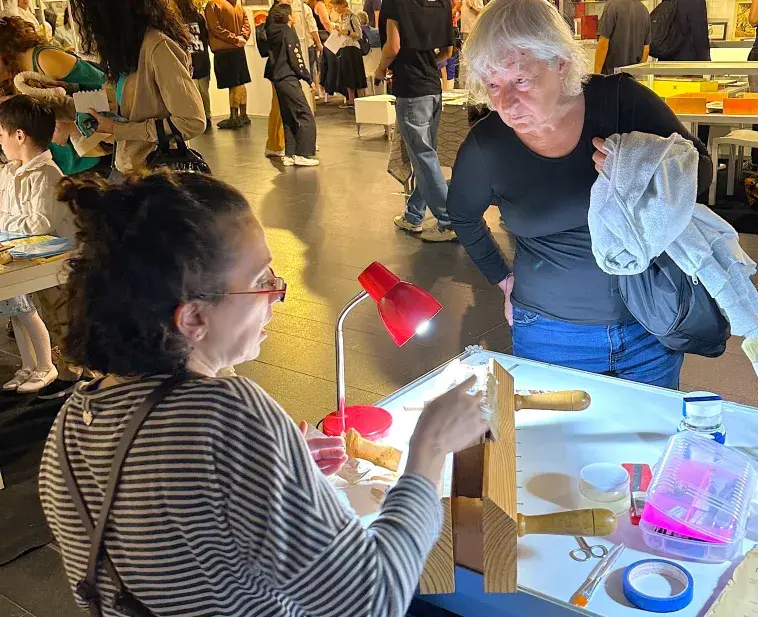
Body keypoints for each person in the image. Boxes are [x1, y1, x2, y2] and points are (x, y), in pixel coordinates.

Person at [37, 170, 489, 617]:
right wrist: (428, 452)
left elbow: (154, 547)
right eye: (259, 281)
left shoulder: (69, 426)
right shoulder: (229, 415)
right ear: (193, 319)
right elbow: (374, 598)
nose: (277, 293)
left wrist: (273, 468)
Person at [448, 0, 713, 389]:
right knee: (558, 446)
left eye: (520, 80)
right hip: (550, 335)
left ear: (561, 64)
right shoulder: (487, 146)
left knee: (652, 444)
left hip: (649, 324)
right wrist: (502, 278)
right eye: (493, 85)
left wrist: (642, 163)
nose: (505, 102)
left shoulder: (621, 101)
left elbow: (699, 169)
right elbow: (464, 217)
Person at [70, 0, 207, 177]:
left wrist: (117, 129)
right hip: (133, 169)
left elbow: (192, 121)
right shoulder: (130, 49)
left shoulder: (158, 46)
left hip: (157, 173)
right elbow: (140, 108)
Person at [0, 96, 71, 393]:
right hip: (18, 257)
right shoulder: (8, 172)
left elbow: (39, 223)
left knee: (47, 317)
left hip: (50, 265)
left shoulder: (48, 175)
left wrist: (6, 224)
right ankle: (30, 365)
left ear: (19, 135)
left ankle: (49, 366)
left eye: (1, 134)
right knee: (17, 310)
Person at [377, 0, 457, 242]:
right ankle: (413, 216)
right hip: (433, 86)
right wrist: (428, 64)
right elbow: (448, 51)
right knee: (426, 158)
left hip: (411, 89)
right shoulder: (443, 3)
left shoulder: (395, 2)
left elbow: (393, 47)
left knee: (423, 159)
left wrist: (380, 70)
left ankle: (449, 221)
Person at [0, 15, 107, 176]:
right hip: (54, 170)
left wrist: (73, 124)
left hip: (88, 161)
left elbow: (107, 91)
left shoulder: (42, 59)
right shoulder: (7, 80)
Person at [265, 3, 318, 166]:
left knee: (288, 116)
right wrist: (308, 78)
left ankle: (290, 153)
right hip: (288, 77)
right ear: (288, 16)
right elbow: (296, 57)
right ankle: (303, 153)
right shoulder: (288, 32)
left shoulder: (272, 32)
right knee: (304, 114)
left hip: (277, 78)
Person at [205, 0, 252, 129]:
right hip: (238, 48)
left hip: (224, 49)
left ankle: (234, 117)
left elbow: (215, 28)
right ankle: (243, 114)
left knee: (233, 83)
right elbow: (247, 25)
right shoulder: (238, 6)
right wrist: (241, 38)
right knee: (240, 81)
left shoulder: (214, 4)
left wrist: (234, 39)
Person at [177, 0, 213, 130]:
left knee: (193, 92)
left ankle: (198, 117)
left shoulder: (177, 19)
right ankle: (207, 116)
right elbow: (205, 36)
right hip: (202, 56)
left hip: (187, 58)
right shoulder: (199, 17)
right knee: (204, 91)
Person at [594, 0, 651, 75]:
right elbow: (646, 49)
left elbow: (603, 43)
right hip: (633, 77)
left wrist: (596, 75)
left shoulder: (612, 6)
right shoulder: (644, 10)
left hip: (612, 76)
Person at [332, 0, 367, 106]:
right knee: (347, 74)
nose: (335, 9)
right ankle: (350, 99)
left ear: (342, 5)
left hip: (353, 48)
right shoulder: (340, 18)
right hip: (344, 47)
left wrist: (347, 32)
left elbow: (359, 34)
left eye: (336, 6)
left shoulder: (353, 17)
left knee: (357, 74)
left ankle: (361, 99)